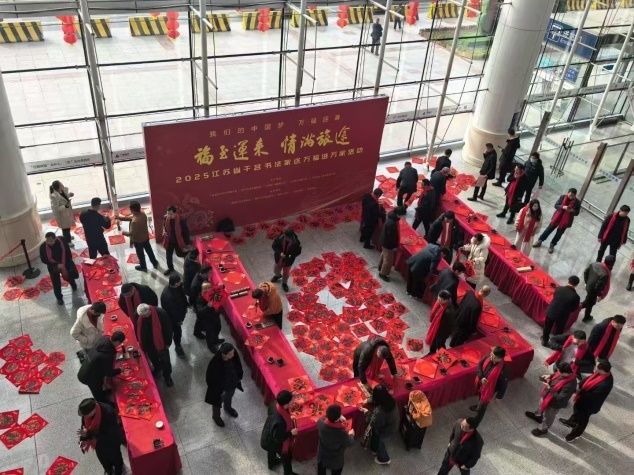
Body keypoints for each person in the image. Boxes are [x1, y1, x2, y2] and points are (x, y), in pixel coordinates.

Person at [559, 359, 613, 442]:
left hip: (589, 405)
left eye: (596, 366)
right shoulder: (601, 374)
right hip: (583, 399)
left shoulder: (605, 384)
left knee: (582, 420)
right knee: (576, 410)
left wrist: (579, 391)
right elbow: (589, 379)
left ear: (602, 370)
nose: (595, 367)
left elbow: (593, 397)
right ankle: (571, 422)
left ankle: (575, 435)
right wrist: (579, 385)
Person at [525, 362, 576, 437]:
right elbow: (556, 374)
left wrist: (549, 388)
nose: (557, 372)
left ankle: (543, 429)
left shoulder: (570, 384)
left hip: (554, 403)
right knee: (540, 407)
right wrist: (549, 376)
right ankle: (538, 416)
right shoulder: (566, 372)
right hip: (547, 395)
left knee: (548, 416)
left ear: (565, 373)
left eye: (559, 371)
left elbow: (560, 397)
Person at [77, 398, 124, 475]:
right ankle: (108, 470)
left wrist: (88, 434)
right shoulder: (86, 413)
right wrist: (83, 439)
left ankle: (118, 471)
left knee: (116, 458)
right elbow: (84, 426)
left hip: (111, 442)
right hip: (97, 443)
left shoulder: (108, 412)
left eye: (86, 414)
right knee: (103, 459)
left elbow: (109, 434)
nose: (85, 416)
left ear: (93, 410)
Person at [77, 332, 125, 404]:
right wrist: (120, 370)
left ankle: (102, 395)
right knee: (97, 392)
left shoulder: (103, 340)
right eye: (120, 343)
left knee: (98, 389)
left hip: (87, 368)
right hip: (88, 376)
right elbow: (109, 373)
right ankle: (103, 404)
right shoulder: (108, 355)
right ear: (118, 342)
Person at [134, 303, 173, 386]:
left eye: (145, 316)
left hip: (160, 342)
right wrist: (139, 340)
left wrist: (168, 343)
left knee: (165, 361)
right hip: (148, 344)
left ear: (149, 311)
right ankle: (157, 367)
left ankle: (167, 376)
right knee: (153, 358)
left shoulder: (161, 313)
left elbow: (168, 329)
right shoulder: (138, 314)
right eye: (141, 316)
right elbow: (136, 327)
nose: (143, 317)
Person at [205, 342, 244, 427]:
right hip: (220, 389)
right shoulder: (215, 364)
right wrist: (219, 390)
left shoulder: (233, 353)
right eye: (230, 354)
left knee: (229, 396)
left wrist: (239, 377)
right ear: (223, 354)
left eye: (233, 352)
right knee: (217, 403)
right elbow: (210, 379)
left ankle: (228, 408)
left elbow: (238, 364)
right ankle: (216, 417)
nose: (233, 355)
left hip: (232, 383)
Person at [260, 390, 298, 474]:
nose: (293, 401)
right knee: (286, 457)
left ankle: (272, 463)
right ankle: (288, 473)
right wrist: (291, 433)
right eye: (291, 400)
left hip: (268, 434)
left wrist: (288, 417)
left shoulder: (274, 403)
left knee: (271, 451)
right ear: (285, 405)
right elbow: (278, 437)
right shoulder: (280, 422)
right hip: (275, 440)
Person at [359, 385, 399, 465]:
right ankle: (374, 448)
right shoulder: (389, 399)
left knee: (381, 443)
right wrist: (368, 400)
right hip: (390, 424)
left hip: (387, 429)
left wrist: (366, 412)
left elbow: (373, 423)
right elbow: (378, 399)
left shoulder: (380, 411)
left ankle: (384, 459)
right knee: (376, 435)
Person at [534, 188, 581, 253]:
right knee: (548, 229)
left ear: (575, 195)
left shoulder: (577, 202)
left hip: (565, 221)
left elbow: (577, 213)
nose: (570, 197)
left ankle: (552, 245)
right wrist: (562, 207)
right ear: (568, 193)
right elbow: (556, 205)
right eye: (570, 195)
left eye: (572, 196)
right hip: (557, 217)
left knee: (559, 234)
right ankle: (540, 240)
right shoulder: (562, 197)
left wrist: (572, 211)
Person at [470, 346, 508, 426]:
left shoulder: (504, 369)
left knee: (483, 406)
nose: (490, 357)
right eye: (491, 354)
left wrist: (499, 397)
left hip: (489, 390)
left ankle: (476, 421)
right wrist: (481, 377)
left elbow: (503, 384)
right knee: (480, 397)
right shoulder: (489, 356)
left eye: (493, 357)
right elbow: (480, 364)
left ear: (499, 359)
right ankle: (478, 406)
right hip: (481, 383)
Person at [116, 201, 159, 272]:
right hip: (145, 237)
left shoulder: (134, 222)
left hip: (138, 241)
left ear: (132, 210)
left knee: (140, 254)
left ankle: (143, 266)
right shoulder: (142, 213)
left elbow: (131, 233)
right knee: (149, 251)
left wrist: (124, 233)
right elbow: (132, 217)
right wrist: (120, 218)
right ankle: (154, 262)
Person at [40, 231, 79, 305]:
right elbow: (44, 259)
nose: (49, 243)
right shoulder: (43, 247)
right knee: (56, 282)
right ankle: (59, 298)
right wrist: (56, 264)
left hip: (65, 261)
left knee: (69, 274)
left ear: (55, 239)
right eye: (47, 241)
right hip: (53, 265)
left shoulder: (62, 240)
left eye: (51, 241)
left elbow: (68, 252)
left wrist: (66, 263)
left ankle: (73, 284)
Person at [541, 275, 581, 346]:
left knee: (547, 327)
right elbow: (574, 308)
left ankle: (544, 340)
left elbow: (555, 297)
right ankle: (555, 343)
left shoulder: (559, 289)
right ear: (576, 285)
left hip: (552, 311)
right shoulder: (576, 297)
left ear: (568, 281)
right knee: (559, 330)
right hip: (563, 315)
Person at [317, 405, 355, 475]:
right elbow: (350, 443)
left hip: (322, 453)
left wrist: (339, 417)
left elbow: (324, 417)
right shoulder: (341, 432)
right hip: (335, 457)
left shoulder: (320, 422)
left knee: (321, 470)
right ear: (338, 416)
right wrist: (351, 434)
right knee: (336, 472)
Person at [160, 274, 188, 357]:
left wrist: (186, 305)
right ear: (172, 284)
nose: (179, 284)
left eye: (179, 283)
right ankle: (177, 345)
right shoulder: (167, 296)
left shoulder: (176, 287)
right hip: (173, 318)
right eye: (177, 284)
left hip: (179, 312)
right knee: (177, 331)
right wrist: (178, 320)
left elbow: (182, 296)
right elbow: (172, 311)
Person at [580, 255, 614, 323]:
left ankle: (583, 313)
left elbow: (585, 272)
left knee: (588, 301)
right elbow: (598, 287)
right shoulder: (604, 274)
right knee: (590, 303)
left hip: (588, 286)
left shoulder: (594, 264)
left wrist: (587, 282)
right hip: (593, 291)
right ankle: (585, 315)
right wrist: (600, 295)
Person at [196, 282, 225, 352]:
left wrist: (222, 286)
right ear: (202, 289)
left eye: (209, 288)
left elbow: (220, 289)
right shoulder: (200, 298)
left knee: (218, 328)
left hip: (215, 316)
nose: (208, 290)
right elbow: (199, 312)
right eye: (205, 288)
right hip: (207, 319)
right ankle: (210, 346)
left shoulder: (213, 293)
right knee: (209, 333)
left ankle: (215, 339)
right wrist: (207, 307)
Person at [162, 205, 191, 275]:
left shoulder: (181, 220)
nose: (169, 215)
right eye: (168, 213)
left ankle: (187, 267)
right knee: (168, 255)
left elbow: (185, 232)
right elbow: (164, 226)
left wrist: (188, 243)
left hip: (178, 241)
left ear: (175, 213)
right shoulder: (166, 217)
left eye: (171, 214)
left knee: (181, 254)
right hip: (169, 240)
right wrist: (164, 231)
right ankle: (170, 268)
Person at [272, 227, 302, 291]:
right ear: (284, 235)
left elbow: (298, 252)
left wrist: (290, 256)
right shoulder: (279, 238)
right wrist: (280, 253)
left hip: (288, 260)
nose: (287, 239)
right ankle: (278, 275)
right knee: (276, 269)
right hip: (279, 258)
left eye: (289, 238)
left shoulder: (296, 242)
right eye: (286, 237)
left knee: (286, 272)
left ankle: (284, 283)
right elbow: (274, 246)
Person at [378, 208, 403, 281]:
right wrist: (394, 246)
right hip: (388, 244)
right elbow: (391, 237)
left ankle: (380, 266)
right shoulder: (392, 223)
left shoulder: (390, 217)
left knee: (384, 255)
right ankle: (382, 274)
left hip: (384, 241)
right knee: (388, 261)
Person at [49, 180, 75, 246]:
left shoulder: (61, 191)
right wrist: (65, 206)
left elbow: (64, 198)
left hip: (66, 213)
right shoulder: (54, 197)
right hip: (62, 215)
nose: (63, 185)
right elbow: (56, 209)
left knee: (67, 226)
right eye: (61, 185)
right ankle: (67, 241)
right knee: (65, 228)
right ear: (58, 187)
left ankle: (68, 237)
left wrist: (69, 195)